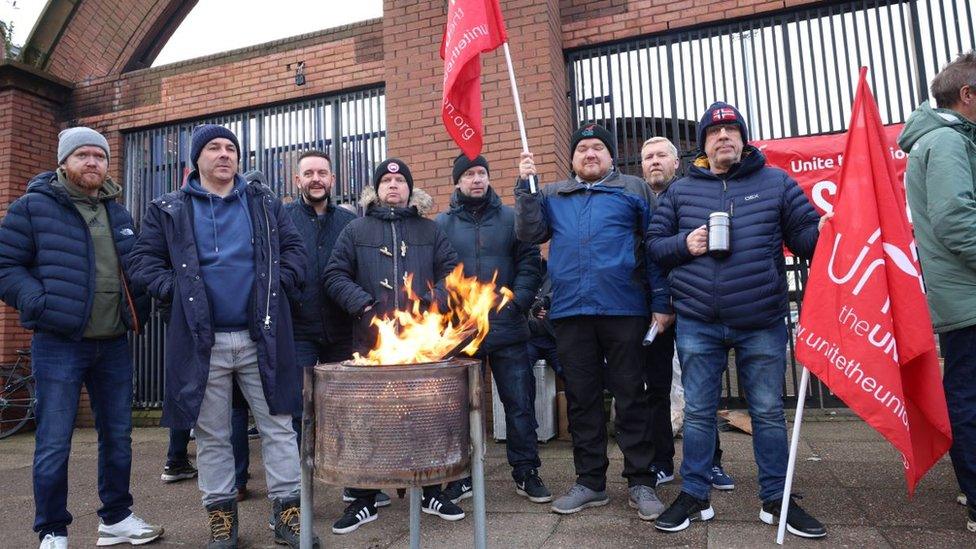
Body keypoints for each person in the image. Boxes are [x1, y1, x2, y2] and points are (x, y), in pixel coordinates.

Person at [648, 102, 829, 538]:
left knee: (767, 412)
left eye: (731, 130)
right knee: (697, 414)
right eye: (714, 132)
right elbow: (654, 246)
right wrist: (683, 244)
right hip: (697, 321)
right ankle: (694, 495)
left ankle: (776, 500)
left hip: (761, 319)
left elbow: (806, 238)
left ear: (744, 138)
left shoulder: (776, 183)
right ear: (704, 144)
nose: (723, 136)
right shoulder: (681, 191)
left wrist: (830, 230)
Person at [129, 124, 313, 548]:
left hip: (261, 337)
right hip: (201, 341)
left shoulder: (264, 203)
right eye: (213, 148)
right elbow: (142, 261)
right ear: (196, 159)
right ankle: (222, 519)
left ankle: (287, 513)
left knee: (279, 425)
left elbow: (296, 251)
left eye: (231, 148)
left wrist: (277, 283)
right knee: (211, 433)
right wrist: (172, 289)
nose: (224, 155)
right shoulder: (169, 209)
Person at [0, 127, 163, 548]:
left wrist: (144, 307)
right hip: (59, 343)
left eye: (100, 156)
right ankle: (52, 530)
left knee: (118, 436)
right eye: (83, 155)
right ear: (64, 162)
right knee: (54, 441)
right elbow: (6, 266)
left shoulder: (118, 213)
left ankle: (116, 518)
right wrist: (39, 302)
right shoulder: (32, 208)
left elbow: (136, 269)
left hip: (112, 345)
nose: (92, 163)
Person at [515, 123, 672, 522]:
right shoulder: (552, 194)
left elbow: (654, 250)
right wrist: (525, 188)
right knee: (583, 400)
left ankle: (641, 481)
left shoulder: (633, 190)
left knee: (631, 396)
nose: (589, 154)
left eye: (597, 148)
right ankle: (590, 482)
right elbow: (530, 232)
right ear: (572, 158)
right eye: (582, 148)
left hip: (625, 309)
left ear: (611, 156)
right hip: (570, 313)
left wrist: (661, 302)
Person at [323, 158, 462, 534]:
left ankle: (431, 491)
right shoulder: (355, 230)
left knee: (424, 418)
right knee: (368, 421)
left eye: (400, 180)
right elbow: (334, 274)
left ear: (409, 189)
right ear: (376, 189)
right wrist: (364, 305)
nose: (393, 186)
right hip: (371, 342)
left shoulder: (430, 230)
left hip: (422, 343)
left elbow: (454, 274)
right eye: (386, 180)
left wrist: (432, 303)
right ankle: (364, 498)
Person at [435, 153, 549, 504]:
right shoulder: (440, 225)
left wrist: (518, 301)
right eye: (469, 174)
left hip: (508, 329)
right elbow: (435, 271)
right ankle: (460, 475)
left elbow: (531, 263)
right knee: (456, 408)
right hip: (461, 333)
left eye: (481, 172)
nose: (476, 179)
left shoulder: (512, 219)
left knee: (519, 404)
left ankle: (526, 471)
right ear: (458, 181)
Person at [282, 149, 393, 508]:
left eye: (323, 173)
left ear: (332, 180)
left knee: (350, 410)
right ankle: (298, 495)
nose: (316, 179)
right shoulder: (283, 219)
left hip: (344, 331)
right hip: (299, 330)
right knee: (301, 413)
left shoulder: (349, 222)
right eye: (309, 173)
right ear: (297, 180)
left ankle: (357, 486)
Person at [898, 50, 976, 533]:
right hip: (968, 300)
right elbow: (956, 221)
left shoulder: (944, 140)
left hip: (963, 297)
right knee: (968, 396)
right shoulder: (947, 141)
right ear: (968, 95)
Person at [639, 137, 734, 491]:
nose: (654, 161)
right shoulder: (637, 202)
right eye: (648, 157)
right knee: (656, 390)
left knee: (701, 391)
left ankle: (711, 463)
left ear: (677, 162)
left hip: (696, 307)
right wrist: (658, 304)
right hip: (652, 314)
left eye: (662, 155)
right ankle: (661, 462)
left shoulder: (694, 195)